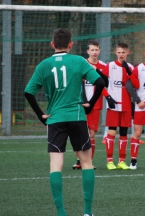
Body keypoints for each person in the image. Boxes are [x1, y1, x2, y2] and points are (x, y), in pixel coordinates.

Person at [24, 28, 105, 216]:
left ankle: (61, 213)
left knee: (55, 165)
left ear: (52, 45)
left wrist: (40, 115)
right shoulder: (78, 61)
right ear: (71, 44)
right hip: (77, 116)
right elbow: (100, 83)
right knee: (86, 162)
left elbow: (28, 92)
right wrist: (90, 105)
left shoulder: (43, 65)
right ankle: (87, 212)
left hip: (55, 118)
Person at [72, 39, 116, 170]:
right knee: (80, 133)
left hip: (95, 105)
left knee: (91, 134)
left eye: (96, 50)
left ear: (100, 51)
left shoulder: (103, 66)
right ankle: (79, 160)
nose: (94, 52)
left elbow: (102, 85)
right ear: (88, 51)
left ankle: (89, 161)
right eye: (92, 50)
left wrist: (108, 97)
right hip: (81, 104)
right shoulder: (82, 64)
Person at [101, 42, 139, 170]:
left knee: (124, 133)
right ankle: (109, 161)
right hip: (113, 105)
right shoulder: (110, 66)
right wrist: (108, 97)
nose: (121, 54)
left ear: (128, 52)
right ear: (115, 52)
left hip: (127, 106)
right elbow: (99, 83)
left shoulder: (131, 67)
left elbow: (136, 85)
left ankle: (121, 161)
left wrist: (128, 71)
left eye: (124, 52)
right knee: (112, 132)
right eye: (119, 52)